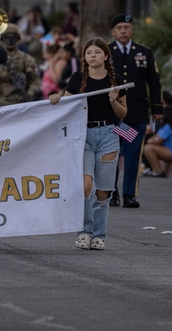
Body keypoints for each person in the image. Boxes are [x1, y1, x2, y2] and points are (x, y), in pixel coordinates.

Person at [49, 37, 127, 251]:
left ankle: (99, 235)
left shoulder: (116, 80)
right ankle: (84, 231)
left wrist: (113, 100)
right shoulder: (77, 78)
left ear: (106, 56)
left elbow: (123, 113)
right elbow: (66, 106)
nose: (93, 56)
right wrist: (57, 98)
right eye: (89, 53)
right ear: (84, 57)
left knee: (103, 190)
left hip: (109, 135)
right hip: (82, 135)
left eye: (97, 52)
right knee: (85, 186)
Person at [108, 13, 163, 209]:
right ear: (113, 31)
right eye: (119, 28)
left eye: (127, 27)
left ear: (132, 30)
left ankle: (129, 194)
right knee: (111, 154)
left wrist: (158, 108)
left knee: (132, 156)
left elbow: (154, 82)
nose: (123, 31)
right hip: (112, 115)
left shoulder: (144, 52)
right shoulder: (105, 51)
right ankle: (111, 193)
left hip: (135, 113)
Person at [0, 24, 41, 106]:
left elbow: (36, 80)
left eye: (13, 37)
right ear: (2, 38)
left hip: (21, 101)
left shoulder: (26, 59)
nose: (10, 40)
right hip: (0, 101)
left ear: (18, 38)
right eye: (7, 37)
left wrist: (30, 93)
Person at [142, 94, 172, 177]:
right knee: (147, 142)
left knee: (148, 146)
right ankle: (150, 167)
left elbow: (152, 133)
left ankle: (155, 170)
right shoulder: (168, 117)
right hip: (170, 148)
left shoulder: (166, 121)